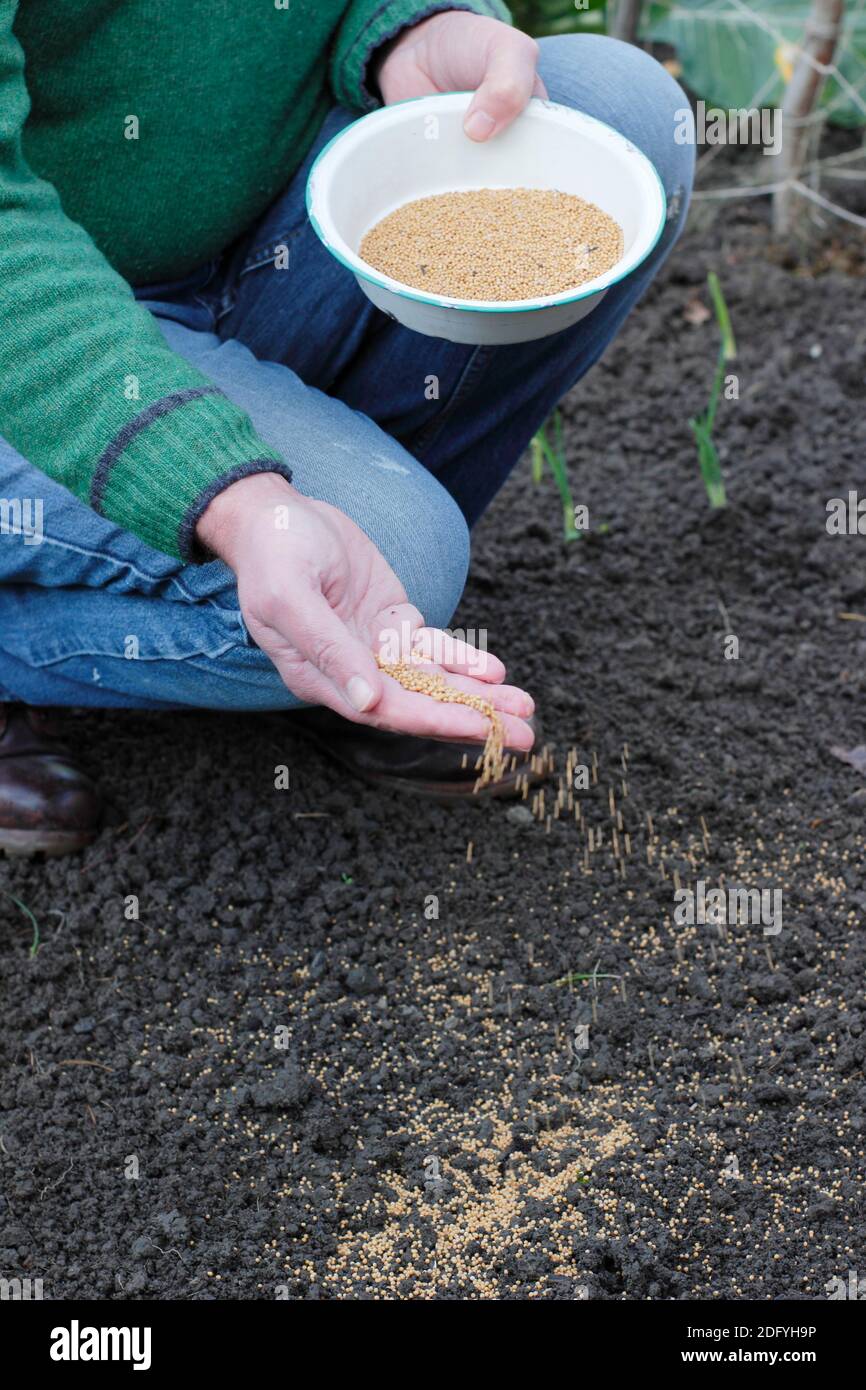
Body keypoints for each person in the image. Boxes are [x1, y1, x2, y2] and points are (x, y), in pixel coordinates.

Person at [0, 2, 694, 856]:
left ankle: (354, 650)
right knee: (400, 550)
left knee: (612, 110)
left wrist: (406, 29)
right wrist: (231, 497)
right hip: (29, 313)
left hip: (254, 239)